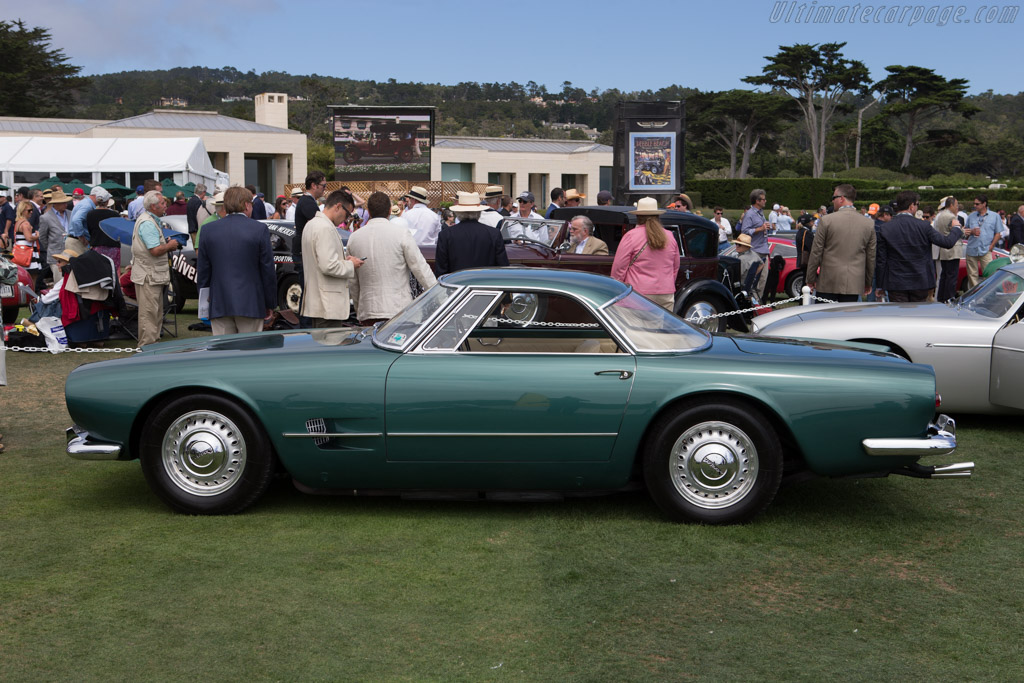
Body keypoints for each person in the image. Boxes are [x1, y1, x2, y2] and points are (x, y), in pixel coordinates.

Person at [346, 191, 437, 325]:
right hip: (398, 309)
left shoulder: (354, 237)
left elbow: (353, 280)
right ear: (389, 210)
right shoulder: (401, 234)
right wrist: (438, 296)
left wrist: (359, 309)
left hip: (368, 309)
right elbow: (421, 269)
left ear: (369, 212)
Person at [196, 187, 276, 336]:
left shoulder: (208, 230)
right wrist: (269, 302)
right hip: (250, 302)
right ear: (246, 205)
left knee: (223, 354)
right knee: (249, 351)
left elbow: (203, 271)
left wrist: (204, 304)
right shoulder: (259, 229)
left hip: (219, 301)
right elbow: (267, 270)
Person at [876, 191, 963, 303]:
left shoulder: (886, 228)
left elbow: (881, 260)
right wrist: (956, 228)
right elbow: (947, 242)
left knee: (900, 316)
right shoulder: (923, 226)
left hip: (896, 281)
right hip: (920, 279)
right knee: (917, 315)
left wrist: (879, 285)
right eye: (917, 205)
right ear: (911, 206)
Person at [300, 189, 364, 327]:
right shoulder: (325, 228)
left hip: (318, 302)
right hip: (327, 304)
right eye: (347, 214)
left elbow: (321, 262)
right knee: (330, 343)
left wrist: (344, 262)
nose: (347, 219)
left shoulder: (311, 224)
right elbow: (328, 265)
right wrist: (351, 264)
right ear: (338, 207)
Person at [805, 184, 876, 303]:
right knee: (847, 320)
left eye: (834, 198)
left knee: (824, 319)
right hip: (854, 282)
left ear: (841, 198)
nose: (832, 201)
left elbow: (816, 251)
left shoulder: (826, 221)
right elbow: (871, 256)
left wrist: (810, 278)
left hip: (828, 280)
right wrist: (868, 282)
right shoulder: (868, 224)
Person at [130, 190, 182, 347]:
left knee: (154, 314)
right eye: (162, 203)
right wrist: (169, 245)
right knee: (149, 315)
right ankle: (147, 348)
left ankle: (152, 347)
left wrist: (165, 244)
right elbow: (155, 250)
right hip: (149, 276)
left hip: (151, 275)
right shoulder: (147, 223)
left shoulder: (149, 220)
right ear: (153, 206)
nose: (165, 205)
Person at [610, 197, 680, 310]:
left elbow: (619, 267)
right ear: (657, 216)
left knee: (636, 327)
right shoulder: (670, 236)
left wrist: (616, 288)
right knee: (661, 327)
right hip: (666, 292)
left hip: (638, 292)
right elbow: (675, 267)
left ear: (638, 217)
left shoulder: (631, 236)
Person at [434, 192, 510, 275]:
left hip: (456, 285)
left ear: (458, 212)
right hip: (486, 285)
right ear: (479, 212)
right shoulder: (494, 234)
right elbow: (503, 268)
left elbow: (441, 271)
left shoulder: (446, 235)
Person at [964, 194, 1002, 290]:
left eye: (977, 204)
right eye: (974, 204)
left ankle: (987, 294)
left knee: (989, 274)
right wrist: (970, 232)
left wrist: (991, 246)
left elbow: (998, 233)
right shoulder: (971, 216)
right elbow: (965, 232)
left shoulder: (995, 216)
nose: (975, 206)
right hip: (971, 248)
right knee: (972, 275)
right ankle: (974, 294)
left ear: (984, 204)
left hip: (986, 249)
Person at [37, 189, 72, 288]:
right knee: (59, 283)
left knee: (72, 282)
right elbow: (43, 237)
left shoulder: (70, 214)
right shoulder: (46, 217)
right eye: (63, 203)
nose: (66, 204)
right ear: (55, 204)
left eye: (66, 202)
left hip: (70, 253)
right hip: (56, 255)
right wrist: (51, 247)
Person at [739, 188, 771, 295]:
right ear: (757, 201)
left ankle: (759, 304)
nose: (765, 201)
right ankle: (753, 304)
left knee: (762, 281)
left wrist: (767, 227)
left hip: (763, 250)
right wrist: (760, 229)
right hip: (755, 251)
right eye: (763, 199)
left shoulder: (761, 213)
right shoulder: (749, 214)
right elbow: (744, 232)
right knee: (753, 282)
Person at [934, 196, 965, 302]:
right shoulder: (951, 217)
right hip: (952, 250)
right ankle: (949, 298)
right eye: (956, 206)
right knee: (951, 277)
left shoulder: (940, 215)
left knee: (944, 276)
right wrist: (964, 231)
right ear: (951, 205)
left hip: (943, 250)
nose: (957, 208)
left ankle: (941, 298)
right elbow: (956, 232)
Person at [67, 185, 111, 250]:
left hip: (75, 240)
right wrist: (82, 237)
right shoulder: (87, 205)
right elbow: (76, 220)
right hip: (77, 242)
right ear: (96, 196)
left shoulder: (86, 203)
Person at [86, 197, 122, 274]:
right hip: (113, 246)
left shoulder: (90, 214)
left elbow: (89, 230)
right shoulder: (115, 214)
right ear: (108, 201)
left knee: (98, 271)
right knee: (113, 270)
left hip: (97, 245)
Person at [13, 200, 43, 277]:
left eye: (32, 210)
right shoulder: (25, 223)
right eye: (29, 210)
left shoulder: (18, 222)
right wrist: (37, 235)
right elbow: (29, 238)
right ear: (22, 211)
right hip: (28, 253)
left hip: (20, 252)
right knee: (32, 277)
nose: (31, 212)